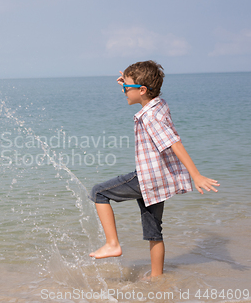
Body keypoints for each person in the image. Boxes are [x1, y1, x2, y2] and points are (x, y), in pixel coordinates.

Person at [88, 60, 219, 279]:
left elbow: (174, 143)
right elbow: (143, 92)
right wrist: (128, 80)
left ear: (142, 90)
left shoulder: (150, 117)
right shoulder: (159, 104)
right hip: (161, 181)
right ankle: (157, 278)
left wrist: (195, 175)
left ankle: (112, 244)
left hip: (147, 179)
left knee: (98, 192)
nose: (123, 92)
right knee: (154, 231)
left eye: (125, 88)